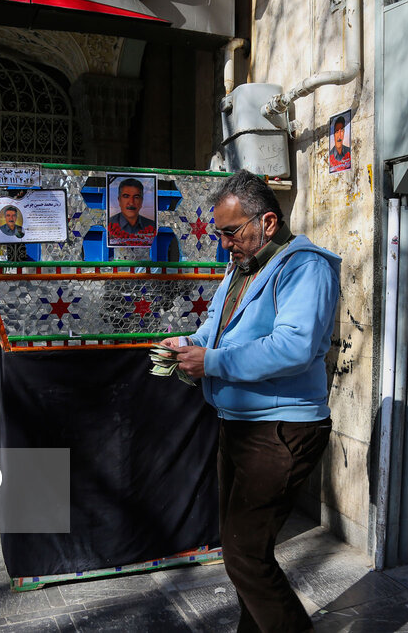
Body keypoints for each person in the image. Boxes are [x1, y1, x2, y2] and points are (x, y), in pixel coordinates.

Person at [161, 169, 341, 632]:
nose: (224, 243)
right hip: (238, 424)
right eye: (221, 232)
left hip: (282, 431)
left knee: (245, 557)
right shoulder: (241, 269)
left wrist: (214, 361)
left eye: (231, 232)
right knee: (243, 552)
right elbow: (214, 330)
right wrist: (186, 345)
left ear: (266, 222)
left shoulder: (306, 267)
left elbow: (295, 346)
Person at [107, 177, 156, 245]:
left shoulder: (152, 226)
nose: (131, 203)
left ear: (142, 201)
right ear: (119, 200)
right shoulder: (108, 225)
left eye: (136, 197)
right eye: (126, 196)